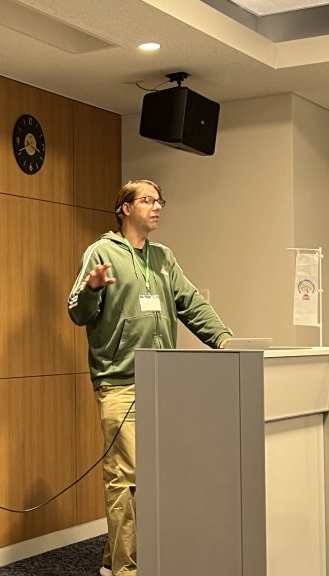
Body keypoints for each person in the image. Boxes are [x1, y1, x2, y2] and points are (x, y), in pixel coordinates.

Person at [67, 180, 232, 576]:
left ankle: (112, 560)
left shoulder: (163, 257)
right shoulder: (101, 252)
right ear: (125, 208)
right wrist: (93, 288)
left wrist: (223, 339)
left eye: (160, 201)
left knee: (153, 476)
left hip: (162, 384)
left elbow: (191, 303)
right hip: (120, 382)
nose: (157, 207)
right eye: (147, 200)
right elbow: (77, 311)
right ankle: (127, 570)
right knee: (126, 478)